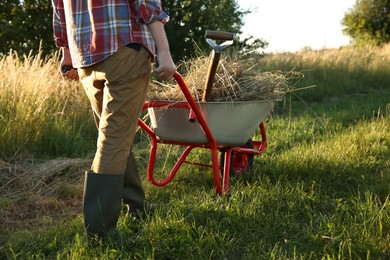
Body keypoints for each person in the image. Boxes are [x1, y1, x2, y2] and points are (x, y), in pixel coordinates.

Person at [51, 0, 176, 241]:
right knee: (114, 138)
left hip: (86, 55)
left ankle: (136, 206)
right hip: (124, 47)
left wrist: (66, 53)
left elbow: (59, 11)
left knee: (115, 134)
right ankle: (100, 234)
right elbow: (146, 4)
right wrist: (164, 51)